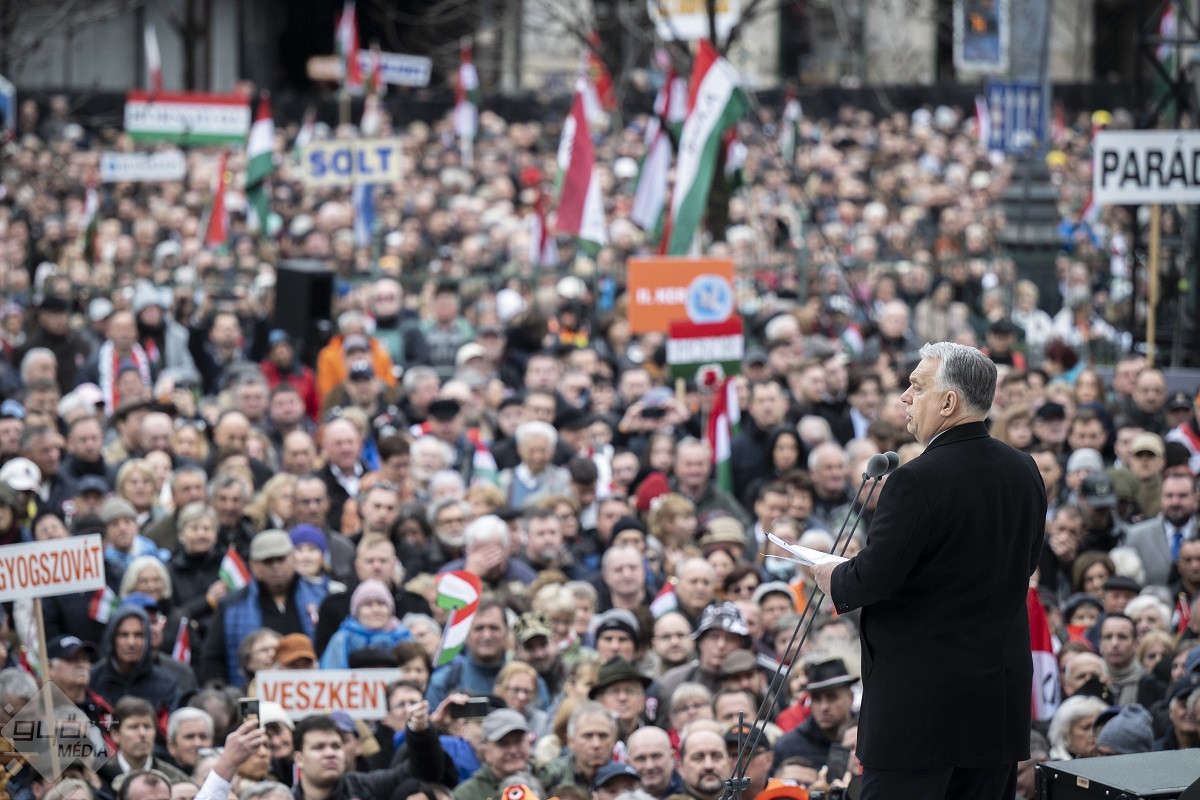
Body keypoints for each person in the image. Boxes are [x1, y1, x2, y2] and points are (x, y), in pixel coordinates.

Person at [815, 342, 1046, 799]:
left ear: (948, 402)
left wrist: (830, 575)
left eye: (917, 386)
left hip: (920, 720)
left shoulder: (915, 479)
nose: (905, 396)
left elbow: (869, 580)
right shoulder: (1025, 469)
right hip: (995, 711)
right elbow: (1026, 563)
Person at [319, 580, 413, 669]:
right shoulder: (342, 640)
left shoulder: (404, 639)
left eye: (381, 603)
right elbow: (332, 673)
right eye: (368, 604)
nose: (376, 610)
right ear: (357, 612)